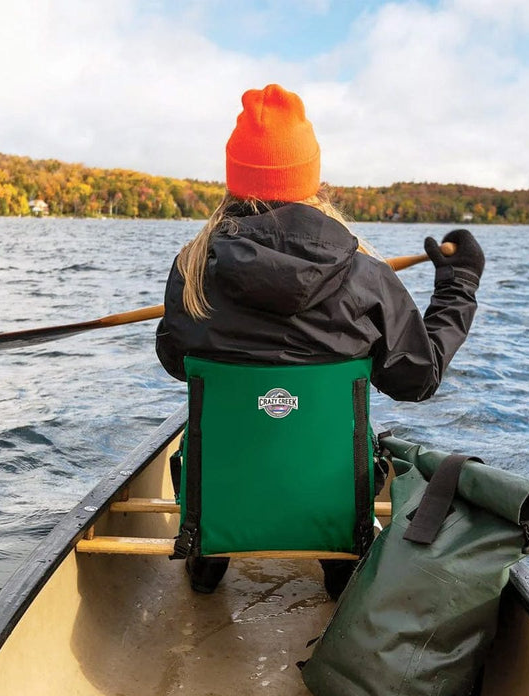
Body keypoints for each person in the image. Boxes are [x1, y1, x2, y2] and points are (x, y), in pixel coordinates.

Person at [156, 84, 484, 597]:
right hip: (326, 498)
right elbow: (419, 379)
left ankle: (209, 550)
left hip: (224, 493)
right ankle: (338, 562)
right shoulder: (368, 277)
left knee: (209, 440)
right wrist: (458, 286)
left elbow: (176, 362)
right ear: (312, 180)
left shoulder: (191, 270)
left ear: (233, 182)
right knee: (347, 447)